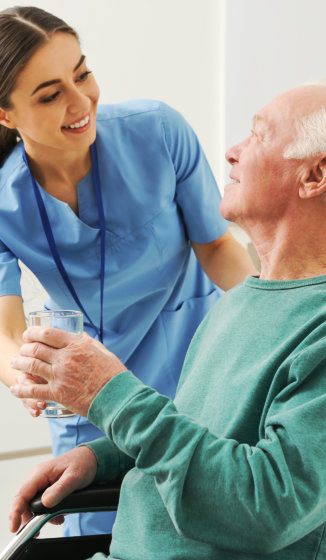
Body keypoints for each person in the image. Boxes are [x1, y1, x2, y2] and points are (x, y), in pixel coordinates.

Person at [9, 83, 326, 559]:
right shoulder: (242, 301)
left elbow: (268, 505)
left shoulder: (317, 328)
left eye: (258, 137)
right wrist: (103, 457)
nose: (232, 153)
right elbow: (201, 434)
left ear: (314, 175)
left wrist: (109, 394)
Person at [0, 6, 255, 536]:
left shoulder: (158, 131)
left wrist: (276, 316)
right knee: (102, 536)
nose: (80, 102)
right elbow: (5, 330)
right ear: (6, 115)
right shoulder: (4, 198)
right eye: (50, 94)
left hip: (196, 360)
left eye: (83, 73)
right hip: (87, 390)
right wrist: (24, 377)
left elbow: (216, 247)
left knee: (206, 521)